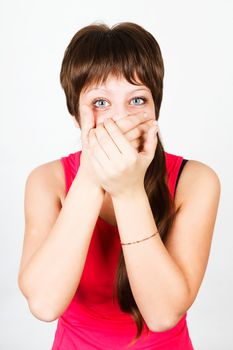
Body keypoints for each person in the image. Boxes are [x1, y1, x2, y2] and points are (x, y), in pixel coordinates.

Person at [17, 21, 221, 349]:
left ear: (155, 109)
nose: (119, 118)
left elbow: (163, 313)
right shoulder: (47, 182)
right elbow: (44, 303)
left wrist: (128, 190)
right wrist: (91, 176)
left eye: (137, 100)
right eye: (100, 103)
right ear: (76, 115)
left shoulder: (195, 181)